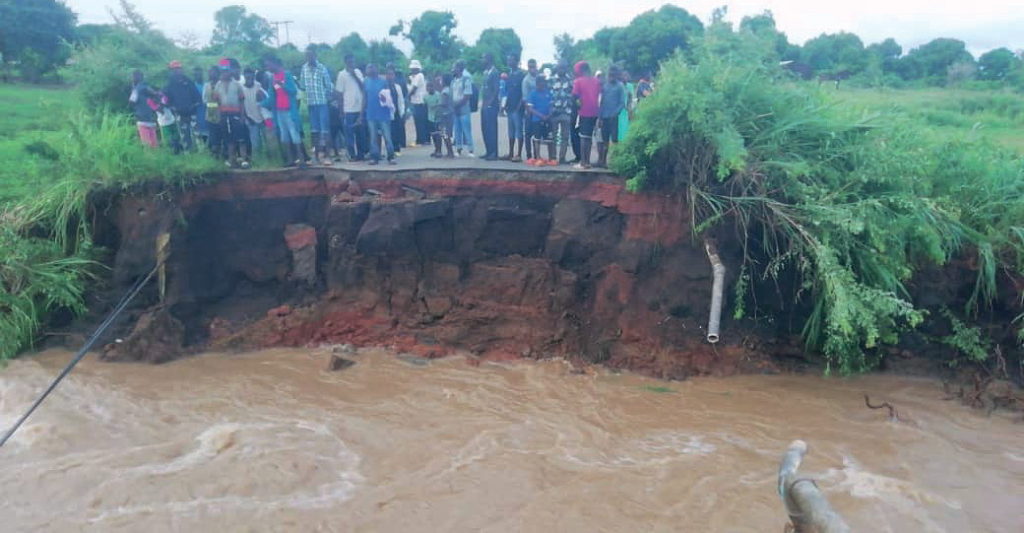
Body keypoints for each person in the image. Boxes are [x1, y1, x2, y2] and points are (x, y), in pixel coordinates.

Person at [263, 56, 306, 169]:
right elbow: (272, 96)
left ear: (274, 63)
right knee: (284, 135)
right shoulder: (273, 79)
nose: (267, 68)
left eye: (268, 65)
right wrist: (261, 104)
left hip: (289, 110)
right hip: (279, 111)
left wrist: (282, 85)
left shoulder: (286, 75)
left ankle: (301, 160)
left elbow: (292, 92)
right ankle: (290, 159)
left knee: (295, 134)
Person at [301, 46, 335, 166]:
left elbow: (329, 86)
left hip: (322, 103)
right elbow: (303, 86)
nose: (309, 57)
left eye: (311, 55)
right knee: (314, 131)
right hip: (311, 104)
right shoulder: (304, 68)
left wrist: (328, 97)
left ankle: (327, 156)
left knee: (325, 130)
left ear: (315, 55)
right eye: (307, 55)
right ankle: (316, 157)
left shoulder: (322, 68)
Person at [212, 64, 250, 168]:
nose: (225, 74)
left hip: (236, 113)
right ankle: (231, 159)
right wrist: (218, 117)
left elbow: (242, 101)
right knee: (228, 138)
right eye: (223, 72)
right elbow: (216, 102)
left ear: (230, 72)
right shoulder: (218, 85)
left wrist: (242, 115)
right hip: (224, 115)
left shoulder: (237, 84)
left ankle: (244, 159)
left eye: (227, 71)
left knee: (240, 137)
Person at [162, 60, 201, 151]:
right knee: (184, 136)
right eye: (174, 69)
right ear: (171, 71)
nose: (177, 71)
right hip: (179, 114)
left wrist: (194, 106)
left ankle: (201, 154)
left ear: (181, 69)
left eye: (178, 69)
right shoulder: (169, 84)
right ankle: (188, 155)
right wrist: (172, 107)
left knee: (197, 136)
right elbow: (165, 98)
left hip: (192, 113)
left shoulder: (188, 81)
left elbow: (197, 97)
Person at [362, 63, 396, 165]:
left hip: (383, 114)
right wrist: (361, 113)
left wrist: (384, 99)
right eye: (368, 68)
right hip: (371, 113)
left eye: (372, 67)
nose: (370, 69)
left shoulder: (383, 82)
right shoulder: (366, 82)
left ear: (376, 69)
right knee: (373, 137)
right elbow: (364, 98)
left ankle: (391, 156)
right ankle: (374, 157)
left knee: (387, 136)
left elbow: (389, 97)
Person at [335, 54, 367, 161]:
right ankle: (352, 155)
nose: (351, 64)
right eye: (349, 62)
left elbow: (363, 87)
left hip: (359, 109)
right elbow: (339, 94)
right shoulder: (341, 75)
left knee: (360, 133)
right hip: (348, 109)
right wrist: (341, 110)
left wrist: (355, 76)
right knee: (349, 134)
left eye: (353, 62)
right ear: (345, 63)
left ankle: (361, 154)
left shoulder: (358, 72)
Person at [571, 60, 601, 169]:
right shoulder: (597, 81)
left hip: (584, 112)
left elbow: (574, 96)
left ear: (580, 70)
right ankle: (587, 162)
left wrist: (580, 105)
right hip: (595, 112)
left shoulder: (578, 81)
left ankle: (583, 163)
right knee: (589, 137)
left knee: (583, 137)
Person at [596, 66, 625, 168]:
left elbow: (622, 103)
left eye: (613, 75)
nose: (611, 77)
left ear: (616, 75)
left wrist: (615, 113)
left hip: (614, 118)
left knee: (614, 140)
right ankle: (602, 161)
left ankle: (615, 162)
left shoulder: (620, 86)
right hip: (604, 117)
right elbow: (601, 103)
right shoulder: (604, 86)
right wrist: (599, 118)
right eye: (610, 75)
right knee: (604, 141)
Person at [525, 75, 556, 165]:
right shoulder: (532, 94)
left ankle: (551, 158)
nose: (542, 85)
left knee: (550, 139)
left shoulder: (548, 93)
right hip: (537, 120)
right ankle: (537, 157)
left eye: (544, 83)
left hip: (548, 119)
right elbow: (530, 109)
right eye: (540, 83)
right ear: (537, 84)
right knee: (537, 139)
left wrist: (549, 114)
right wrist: (541, 115)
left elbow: (551, 105)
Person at [548, 61, 574, 165]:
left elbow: (574, 94)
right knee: (553, 136)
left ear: (566, 68)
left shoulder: (570, 80)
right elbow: (548, 95)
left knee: (565, 137)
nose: (562, 70)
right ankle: (553, 157)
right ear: (557, 69)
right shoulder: (551, 80)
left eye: (564, 68)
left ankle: (562, 158)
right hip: (554, 112)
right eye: (560, 68)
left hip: (566, 112)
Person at [129, 70, 161, 148]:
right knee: (154, 144)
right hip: (150, 118)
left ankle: (149, 158)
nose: (132, 79)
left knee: (147, 144)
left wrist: (134, 89)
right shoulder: (147, 87)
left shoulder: (137, 89)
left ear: (138, 77)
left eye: (133, 77)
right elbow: (156, 96)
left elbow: (131, 102)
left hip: (141, 119)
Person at [502, 54, 525, 162]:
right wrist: (505, 105)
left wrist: (518, 107)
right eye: (508, 60)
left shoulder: (521, 75)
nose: (508, 62)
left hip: (518, 108)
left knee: (518, 132)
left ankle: (519, 154)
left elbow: (523, 94)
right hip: (510, 107)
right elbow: (508, 92)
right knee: (511, 132)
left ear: (516, 61)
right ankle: (511, 153)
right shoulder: (510, 74)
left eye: (510, 60)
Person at [241, 67, 268, 155]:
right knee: (255, 144)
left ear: (253, 76)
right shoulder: (241, 89)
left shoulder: (259, 86)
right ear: (244, 76)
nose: (249, 77)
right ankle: (258, 161)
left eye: (251, 75)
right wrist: (247, 118)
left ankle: (273, 159)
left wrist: (265, 118)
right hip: (251, 119)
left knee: (269, 140)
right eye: (247, 75)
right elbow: (241, 105)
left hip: (264, 118)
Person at [451, 60, 475, 157]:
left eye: (454, 68)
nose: (452, 70)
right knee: (457, 129)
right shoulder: (453, 81)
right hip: (455, 107)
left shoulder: (466, 79)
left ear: (459, 69)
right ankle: (458, 148)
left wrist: (457, 105)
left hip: (463, 107)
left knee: (466, 129)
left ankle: (470, 149)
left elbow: (467, 95)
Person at [479, 53, 500, 160]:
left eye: (483, 58)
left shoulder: (495, 72)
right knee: (485, 128)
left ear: (489, 59)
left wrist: (490, 103)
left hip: (491, 105)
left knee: (492, 129)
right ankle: (488, 151)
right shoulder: (485, 72)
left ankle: (494, 153)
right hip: (485, 104)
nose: (482, 60)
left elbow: (496, 90)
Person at [431, 74, 455, 158]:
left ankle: (450, 153)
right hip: (448, 114)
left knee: (445, 134)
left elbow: (444, 103)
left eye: (441, 80)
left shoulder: (445, 91)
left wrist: (437, 105)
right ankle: (450, 152)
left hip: (446, 115)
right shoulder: (448, 89)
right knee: (446, 134)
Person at [385, 65, 406, 157]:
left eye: (392, 75)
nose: (390, 76)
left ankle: (397, 149)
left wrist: (402, 112)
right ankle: (390, 150)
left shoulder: (397, 87)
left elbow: (401, 100)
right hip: (387, 113)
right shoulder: (384, 86)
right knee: (388, 132)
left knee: (396, 131)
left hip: (396, 112)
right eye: (388, 75)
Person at [521, 59, 539, 160]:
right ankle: (529, 155)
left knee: (537, 134)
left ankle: (537, 155)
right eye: (530, 67)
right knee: (528, 134)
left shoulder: (539, 78)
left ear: (536, 67)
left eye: (533, 66)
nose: (532, 69)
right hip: (529, 111)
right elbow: (525, 98)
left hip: (539, 111)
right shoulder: (526, 80)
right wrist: (529, 112)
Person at [407, 59, 428, 146]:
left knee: (419, 122)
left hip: (418, 101)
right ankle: (422, 139)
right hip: (418, 101)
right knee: (420, 121)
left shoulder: (419, 76)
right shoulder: (417, 76)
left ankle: (421, 140)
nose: (412, 70)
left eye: (413, 68)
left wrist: (407, 97)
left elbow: (414, 89)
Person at [192, 66, 209, 145]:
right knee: (199, 134)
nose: (198, 76)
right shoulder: (192, 87)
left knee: (209, 133)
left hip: (208, 111)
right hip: (197, 113)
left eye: (199, 74)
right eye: (196, 75)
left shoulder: (207, 85)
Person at [423, 77, 441, 146]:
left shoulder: (438, 95)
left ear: (434, 87)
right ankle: (436, 149)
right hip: (430, 117)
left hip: (437, 117)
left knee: (438, 134)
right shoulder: (425, 96)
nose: (430, 88)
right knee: (433, 134)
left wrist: (435, 106)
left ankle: (439, 150)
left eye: (431, 86)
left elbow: (440, 105)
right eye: (428, 86)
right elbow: (425, 107)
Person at [619, 70, 635, 140]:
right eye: (624, 76)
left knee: (626, 127)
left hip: (626, 110)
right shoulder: (618, 85)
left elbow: (631, 98)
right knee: (619, 128)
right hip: (619, 110)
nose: (625, 77)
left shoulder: (630, 86)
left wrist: (629, 109)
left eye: (626, 76)